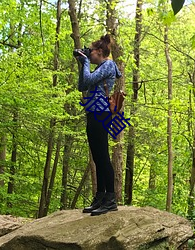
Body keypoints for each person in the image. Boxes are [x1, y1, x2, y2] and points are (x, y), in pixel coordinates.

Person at [76, 34, 122, 216]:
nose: (89, 54)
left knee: (102, 156)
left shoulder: (109, 65)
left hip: (101, 112)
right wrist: (83, 63)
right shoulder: (99, 68)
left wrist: (85, 62)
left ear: (100, 52)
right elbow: (82, 85)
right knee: (97, 156)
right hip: (92, 111)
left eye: (91, 51)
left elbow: (87, 81)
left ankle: (110, 199)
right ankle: (101, 196)